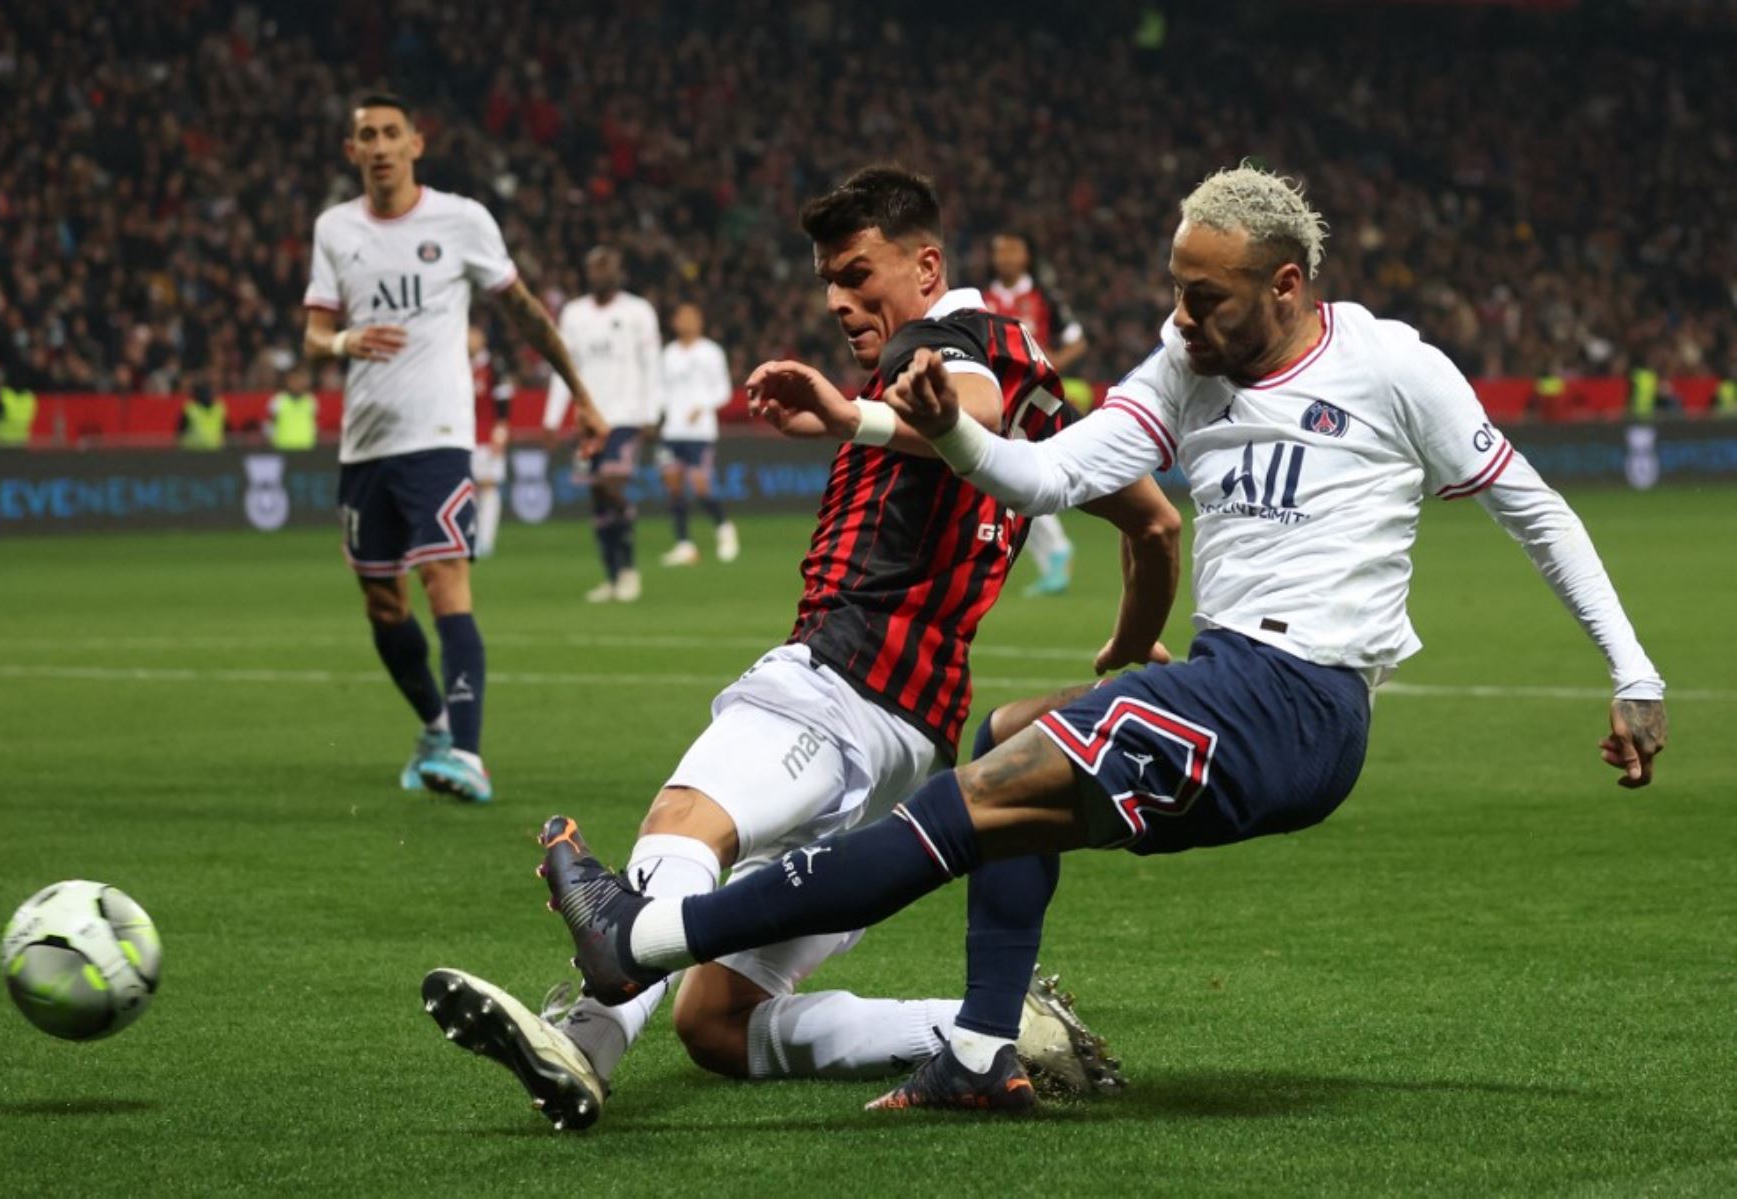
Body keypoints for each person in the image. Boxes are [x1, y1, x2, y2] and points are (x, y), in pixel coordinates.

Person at [541, 165, 1671, 1115]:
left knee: (976, 795)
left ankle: (641, 939)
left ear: (1286, 284)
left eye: (1207, 297)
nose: (1182, 319)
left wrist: (1633, 671)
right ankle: (983, 1050)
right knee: (1005, 737)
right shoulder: (1186, 371)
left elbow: (1536, 506)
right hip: (1226, 680)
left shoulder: (1392, 368)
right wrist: (891, 420)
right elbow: (1048, 471)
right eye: (1177, 292)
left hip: (1304, 699)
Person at [422, 165, 1182, 1131]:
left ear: (926, 265)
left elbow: (969, 408)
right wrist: (1124, 639)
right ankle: (990, 1029)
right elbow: (1154, 523)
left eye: (858, 272)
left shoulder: (945, 341)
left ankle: (587, 1039)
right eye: (827, 278)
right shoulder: (1044, 397)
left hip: (840, 680)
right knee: (718, 1022)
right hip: (917, 738)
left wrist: (850, 413)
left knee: (684, 820)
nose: (838, 300)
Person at [303, 92, 603, 804]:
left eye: (390, 133)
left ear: (416, 142)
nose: (378, 146)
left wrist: (582, 393)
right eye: (365, 136)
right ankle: (436, 726)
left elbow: (523, 309)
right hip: (363, 446)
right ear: (352, 152)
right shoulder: (334, 229)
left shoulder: (462, 220)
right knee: (383, 603)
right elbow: (314, 333)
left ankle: (469, 753)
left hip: (438, 438)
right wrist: (344, 340)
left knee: (446, 584)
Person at [544, 247, 662, 602]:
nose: (600, 274)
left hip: (625, 417)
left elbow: (651, 363)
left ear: (619, 272)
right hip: (588, 420)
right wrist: (551, 418)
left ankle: (628, 570)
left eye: (606, 267)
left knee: (613, 488)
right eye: (594, 268)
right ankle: (611, 577)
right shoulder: (574, 313)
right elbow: (564, 366)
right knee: (598, 499)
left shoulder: (637, 311)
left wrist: (652, 412)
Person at [984, 230, 1089, 596]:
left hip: (1030, 398)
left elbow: (1078, 339)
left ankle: (1054, 554)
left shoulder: (1044, 297)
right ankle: (1053, 557)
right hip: (994, 398)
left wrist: (1051, 363)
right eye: (999, 249)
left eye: (1012, 249)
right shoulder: (984, 299)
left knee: (1014, 476)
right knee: (1010, 479)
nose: (1005, 256)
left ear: (1026, 256)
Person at [657, 302, 739, 567]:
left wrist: (702, 406)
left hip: (700, 431)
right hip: (672, 430)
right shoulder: (667, 354)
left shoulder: (711, 352)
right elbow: (660, 390)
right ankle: (684, 545)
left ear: (700, 321)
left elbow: (724, 390)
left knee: (700, 485)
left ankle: (724, 528)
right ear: (674, 322)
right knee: (673, 487)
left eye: (691, 316)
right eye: (681, 316)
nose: (685, 321)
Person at [467, 326, 513, 558]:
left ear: (482, 339)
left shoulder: (494, 366)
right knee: (468, 489)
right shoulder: (459, 365)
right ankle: (470, 536)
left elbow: (503, 405)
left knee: (488, 485)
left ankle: (486, 540)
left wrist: (501, 433)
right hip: (464, 437)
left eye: (473, 335)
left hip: (487, 437)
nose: (469, 340)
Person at [266, 365, 319, 450]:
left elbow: (314, 425)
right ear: (287, 381)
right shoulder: (278, 400)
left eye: (299, 379)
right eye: (293, 380)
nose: (296, 383)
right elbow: (269, 425)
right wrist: (271, 443)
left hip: (307, 449)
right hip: (283, 448)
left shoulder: (311, 401)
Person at [177, 382, 226, 450]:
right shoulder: (190, 408)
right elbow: (180, 431)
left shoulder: (219, 408)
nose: (206, 395)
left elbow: (226, 430)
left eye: (208, 392)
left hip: (214, 449)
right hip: (192, 450)